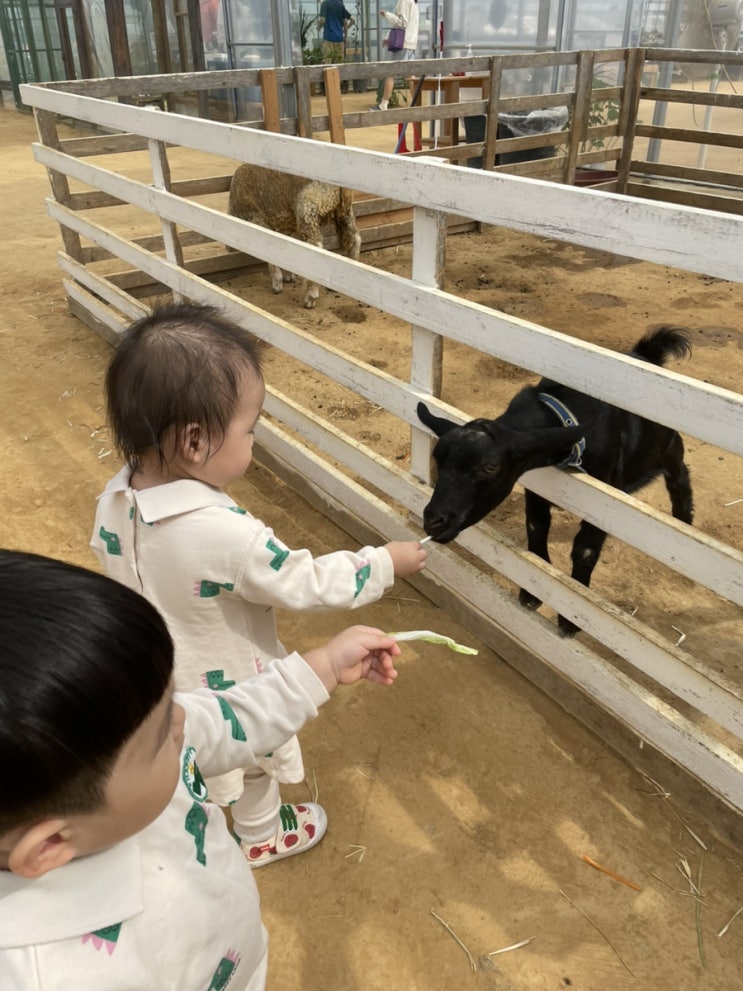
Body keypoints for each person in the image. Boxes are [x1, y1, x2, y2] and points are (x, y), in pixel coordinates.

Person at [90, 302, 426, 869]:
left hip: (155, 679)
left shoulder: (114, 499)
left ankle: (209, 823)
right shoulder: (227, 534)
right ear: (195, 442)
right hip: (229, 683)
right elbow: (303, 582)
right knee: (250, 762)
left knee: (193, 762)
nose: (253, 440)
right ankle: (261, 836)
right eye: (249, 429)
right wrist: (382, 564)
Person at [0, 549, 401, 990]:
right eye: (161, 733)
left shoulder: (122, 748)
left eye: (171, 700)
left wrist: (322, 666)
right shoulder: (60, 978)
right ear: (49, 844)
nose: (182, 719)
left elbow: (226, 718)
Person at [370, 0, 420, 112]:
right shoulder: (413, 2)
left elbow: (401, 23)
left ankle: (384, 104)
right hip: (411, 42)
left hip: (402, 43)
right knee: (410, 75)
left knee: (391, 73)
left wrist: (387, 15)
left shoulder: (404, 1)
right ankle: (417, 103)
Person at [318, 0, 354, 64]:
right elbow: (346, 22)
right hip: (339, 39)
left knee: (327, 64)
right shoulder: (341, 5)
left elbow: (322, 20)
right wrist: (345, 36)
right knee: (339, 64)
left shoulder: (325, 4)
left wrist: (318, 27)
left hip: (328, 38)